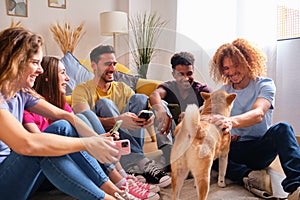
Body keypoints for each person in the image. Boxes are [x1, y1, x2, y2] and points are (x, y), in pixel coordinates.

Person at [0, 26, 138, 200]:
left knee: (63, 126)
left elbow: (67, 116)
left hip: (19, 175)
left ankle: (114, 192)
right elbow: (26, 144)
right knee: (44, 146)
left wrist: (99, 140)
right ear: (12, 61)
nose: (41, 70)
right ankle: (108, 197)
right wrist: (87, 144)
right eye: (35, 63)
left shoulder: (21, 93)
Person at [23, 55, 160, 200]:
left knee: (86, 116)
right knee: (69, 129)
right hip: (50, 168)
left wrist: (101, 140)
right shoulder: (28, 109)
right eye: (62, 73)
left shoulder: (60, 104)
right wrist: (90, 142)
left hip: (71, 158)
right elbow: (40, 147)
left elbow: (78, 123)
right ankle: (119, 182)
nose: (68, 79)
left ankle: (122, 177)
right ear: (47, 77)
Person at [209, 38, 300, 200]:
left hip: (260, 150)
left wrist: (231, 122)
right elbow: (208, 115)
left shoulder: (264, 84)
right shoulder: (223, 92)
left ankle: (297, 186)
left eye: (236, 65)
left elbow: (258, 113)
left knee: (283, 128)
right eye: (227, 68)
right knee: (210, 151)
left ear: (247, 61)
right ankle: (249, 176)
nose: (231, 72)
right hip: (234, 149)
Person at [71, 45, 171, 188]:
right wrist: (117, 121)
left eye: (114, 64)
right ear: (94, 66)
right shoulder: (81, 90)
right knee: (105, 103)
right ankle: (140, 162)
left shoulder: (122, 88)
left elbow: (139, 116)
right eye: (107, 64)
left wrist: (147, 120)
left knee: (140, 99)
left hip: (128, 143)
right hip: (107, 143)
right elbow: (83, 120)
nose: (112, 68)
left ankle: (134, 165)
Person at [149, 51, 212, 170]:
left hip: (194, 139)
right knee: (159, 105)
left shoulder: (202, 89)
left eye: (189, 73)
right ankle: (170, 157)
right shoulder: (168, 87)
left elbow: (216, 105)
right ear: (173, 74)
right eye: (180, 74)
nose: (186, 78)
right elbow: (154, 95)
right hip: (172, 139)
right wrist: (161, 110)